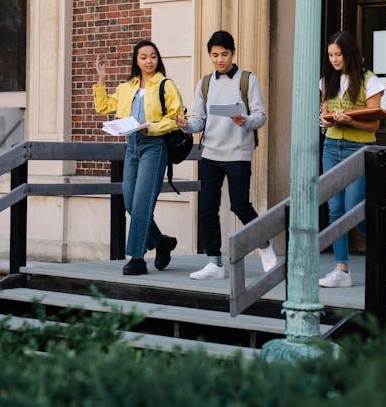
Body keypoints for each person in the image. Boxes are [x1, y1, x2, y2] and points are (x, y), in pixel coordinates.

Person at [176, 30, 277, 280]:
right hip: (210, 154)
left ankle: (264, 245)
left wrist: (245, 120)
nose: (219, 59)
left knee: (240, 205)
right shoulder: (206, 83)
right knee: (208, 208)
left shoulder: (247, 80)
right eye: (214, 55)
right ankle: (215, 263)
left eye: (224, 54)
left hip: (239, 154)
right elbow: (199, 121)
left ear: (233, 53)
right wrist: (185, 125)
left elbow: (261, 117)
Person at [94, 40, 184, 276]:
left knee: (142, 202)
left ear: (158, 58)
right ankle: (162, 242)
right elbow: (104, 107)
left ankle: (137, 258)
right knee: (130, 202)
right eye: (143, 57)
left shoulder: (166, 85)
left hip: (154, 147)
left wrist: (150, 128)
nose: (149, 61)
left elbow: (176, 118)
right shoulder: (127, 87)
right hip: (131, 146)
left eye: (153, 56)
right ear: (136, 60)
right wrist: (102, 80)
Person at [319, 30, 384, 288]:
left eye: (339, 54)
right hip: (332, 147)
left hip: (360, 149)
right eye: (331, 55)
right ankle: (341, 270)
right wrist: (326, 119)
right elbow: (324, 114)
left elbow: (373, 126)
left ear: (350, 54)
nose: (335, 60)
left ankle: (381, 250)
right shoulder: (327, 81)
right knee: (335, 209)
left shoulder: (369, 80)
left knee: (354, 210)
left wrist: (351, 119)